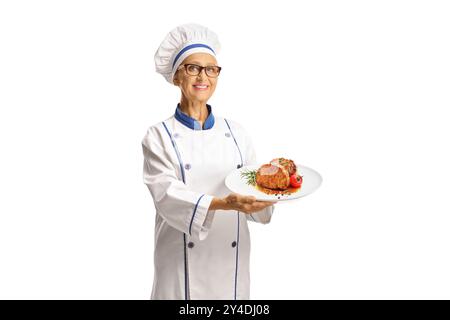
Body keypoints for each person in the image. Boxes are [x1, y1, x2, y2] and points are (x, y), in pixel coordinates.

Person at [142, 23, 277, 300]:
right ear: (177, 76)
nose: (203, 76)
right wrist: (223, 204)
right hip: (181, 270)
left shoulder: (237, 133)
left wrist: (271, 191)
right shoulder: (158, 136)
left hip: (231, 270)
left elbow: (255, 201)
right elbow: (167, 196)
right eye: (193, 68)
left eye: (211, 69)